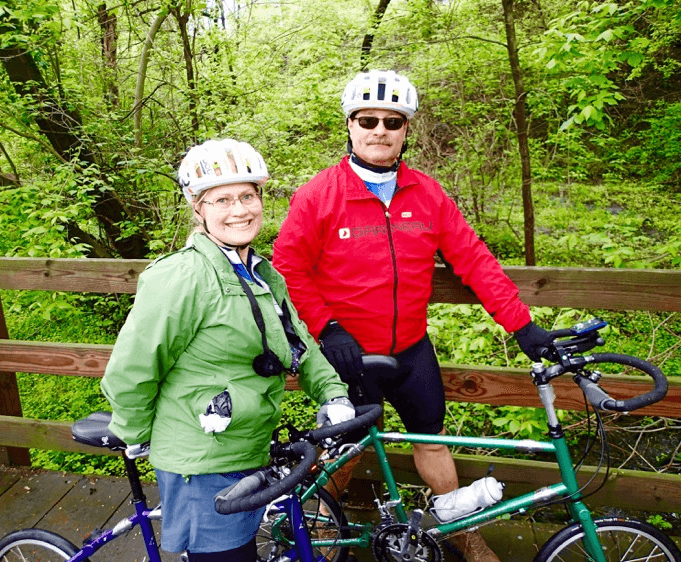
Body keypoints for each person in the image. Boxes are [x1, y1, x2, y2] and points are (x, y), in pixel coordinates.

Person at [272, 70, 553, 562]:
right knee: (346, 450)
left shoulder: (427, 194)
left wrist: (522, 325)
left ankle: (461, 530)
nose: (380, 130)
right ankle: (315, 528)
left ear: (406, 131)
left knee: (431, 440)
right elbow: (288, 269)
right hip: (349, 351)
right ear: (351, 125)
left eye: (392, 121)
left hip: (411, 350)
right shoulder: (319, 195)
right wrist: (326, 327)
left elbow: (474, 260)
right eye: (368, 119)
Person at [100, 139, 355, 562]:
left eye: (247, 195)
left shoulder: (261, 272)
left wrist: (333, 393)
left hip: (249, 445)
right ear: (198, 209)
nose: (239, 209)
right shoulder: (182, 277)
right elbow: (132, 368)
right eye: (222, 199)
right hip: (201, 460)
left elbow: (299, 343)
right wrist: (135, 433)